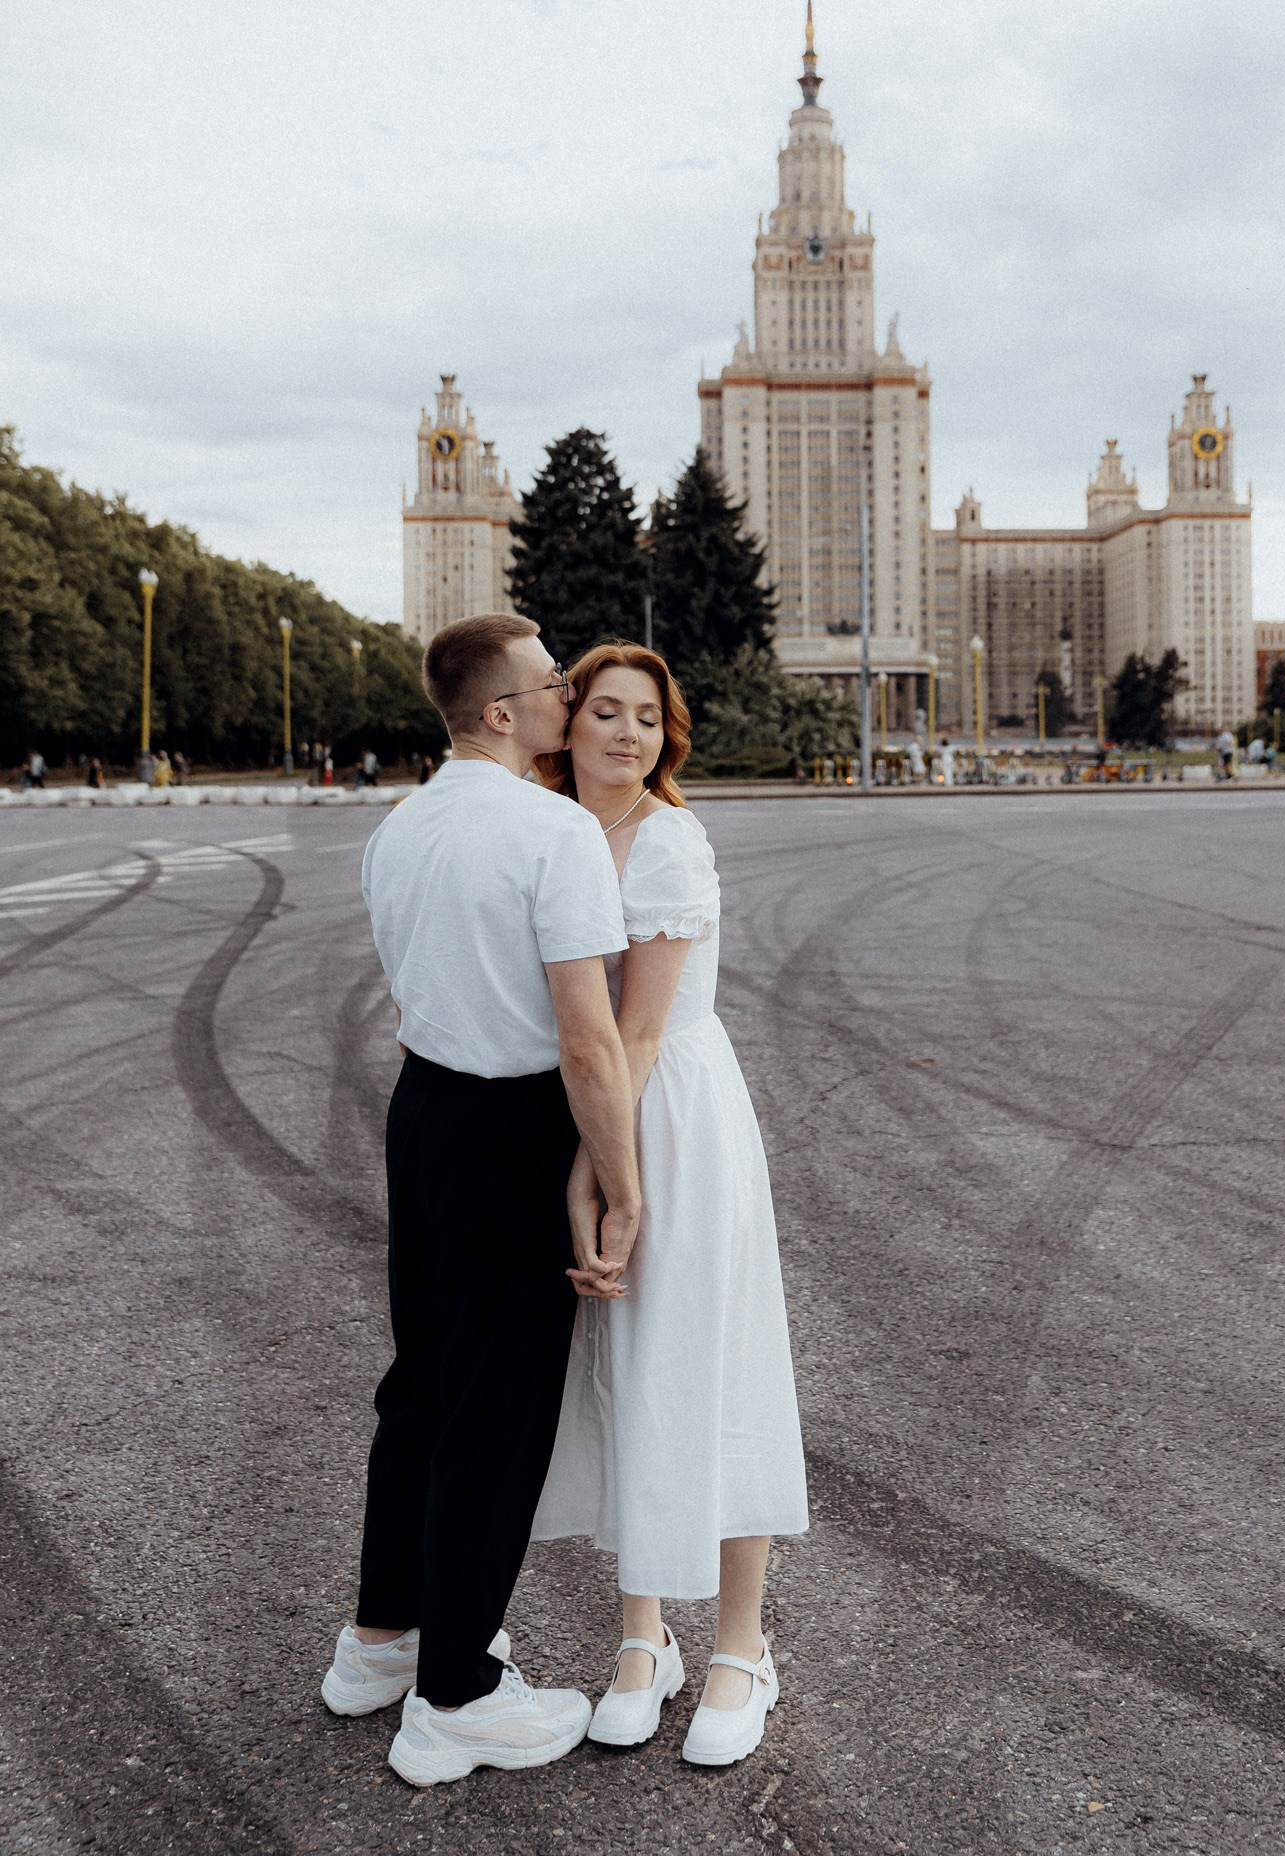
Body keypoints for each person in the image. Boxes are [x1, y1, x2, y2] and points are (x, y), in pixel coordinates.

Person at [321, 612, 642, 1789]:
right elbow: (588, 1037)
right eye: (554, 682)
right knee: (496, 1405)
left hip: (424, 1114)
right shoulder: (552, 832)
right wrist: (621, 1178)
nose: (568, 696)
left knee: (424, 1381)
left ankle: (381, 1637)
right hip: (511, 1125)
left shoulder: (399, 826)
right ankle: (453, 1692)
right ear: (503, 711)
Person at [531, 642, 808, 1769]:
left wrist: (607, 1171)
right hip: (596, 1104)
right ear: (567, 721)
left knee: (715, 1358)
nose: (628, 734)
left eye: (648, 717)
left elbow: (638, 1029)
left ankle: (743, 1642)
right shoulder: (551, 829)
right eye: (606, 710)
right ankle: (643, 1637)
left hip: (671, 1114)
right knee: (624, 1368)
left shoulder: (670, 838)